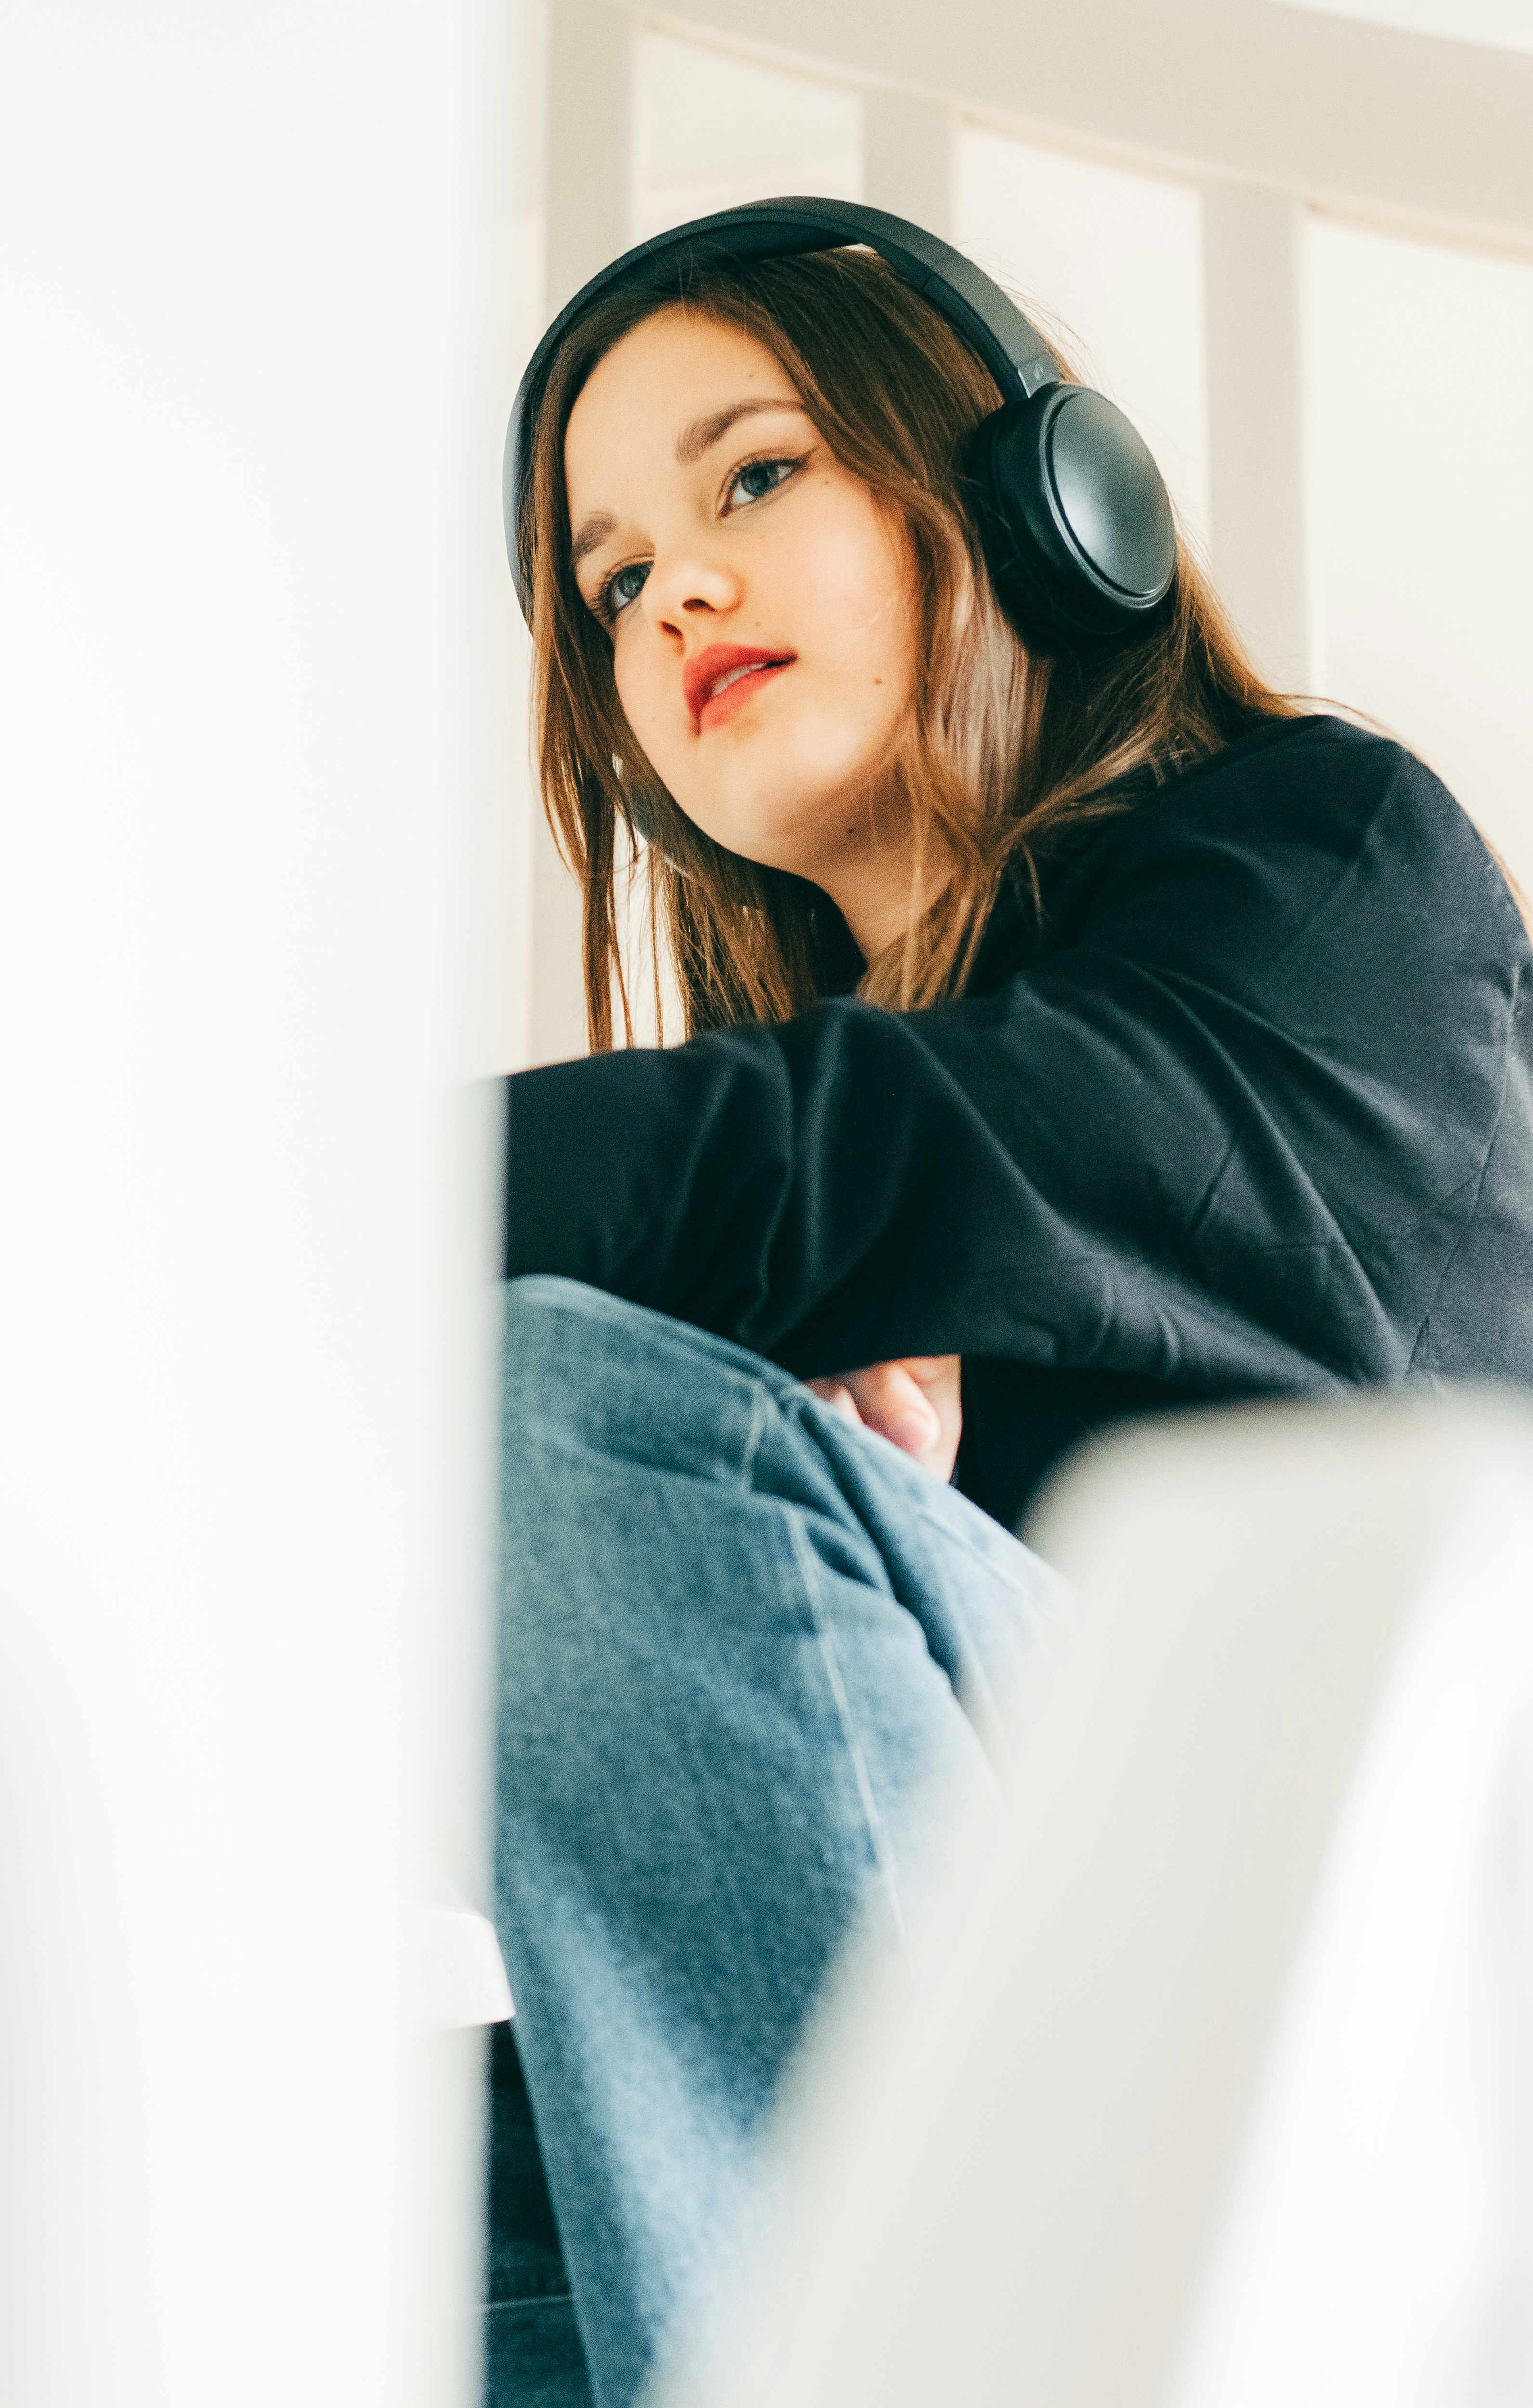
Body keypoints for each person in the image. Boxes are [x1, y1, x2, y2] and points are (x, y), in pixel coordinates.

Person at [488, 205, 1533, 2408]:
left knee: (536, 1393)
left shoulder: (1317, 866)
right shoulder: (790, 1266)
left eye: (751, 476)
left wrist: (228, 1241)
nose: (669, 587)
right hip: (944, 2109)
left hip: (1336, 2062)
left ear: (1047, 502)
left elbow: (892, 1149)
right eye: (606, 582)